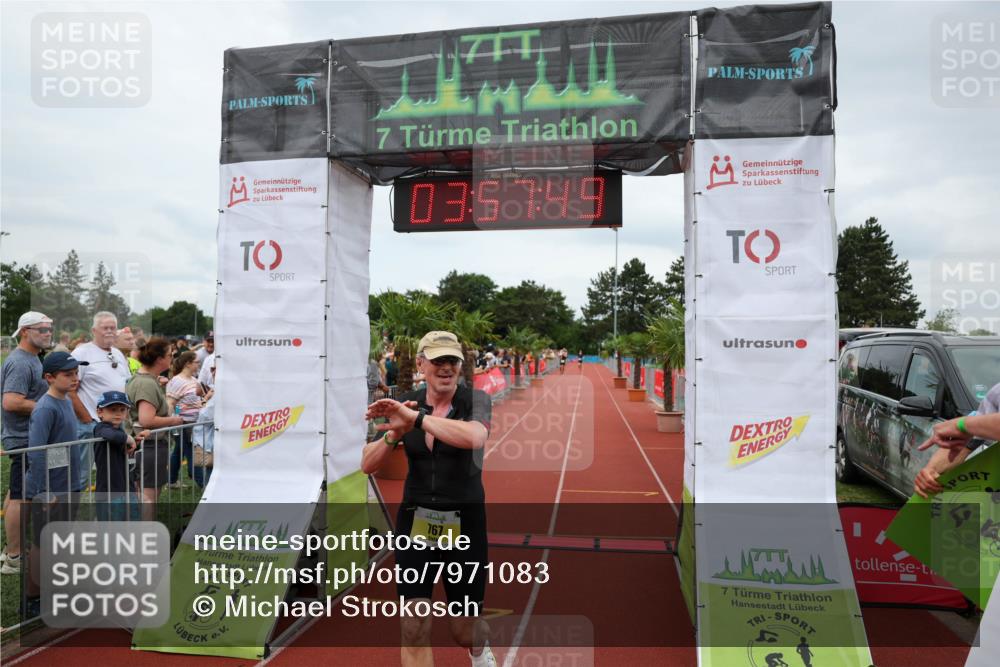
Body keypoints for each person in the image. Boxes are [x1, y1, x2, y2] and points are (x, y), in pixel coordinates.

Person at [362, 330, 495, 667]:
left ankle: (479, 649)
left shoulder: (475, 401)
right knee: (414, 624)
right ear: (421, 364)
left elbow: (475, 437)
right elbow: (367, 464)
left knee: (463, 629)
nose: (446, 367)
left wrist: (417, 419)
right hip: (415, 524)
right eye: (438, 361)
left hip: (465, 526)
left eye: (452, 360)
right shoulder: (407, 400)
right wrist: (395, 434)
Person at [24, 351, 87, 613]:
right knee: (42, 542)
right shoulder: (46, 408)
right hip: (50, 488)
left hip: (68, 483)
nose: (74, 379)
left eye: (75, 373)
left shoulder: (65, 400)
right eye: (67, 374)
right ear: (49, 377)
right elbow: (37, 452)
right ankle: (33, 598)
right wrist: (44, 491)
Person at [0, 312, 53, 575]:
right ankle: (14, 557)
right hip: (24, 439)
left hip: (27, 438)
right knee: (23, 498)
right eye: (42, 329)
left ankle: (10, 550)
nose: (47, 333)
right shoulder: (21, 362)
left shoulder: (33, 359)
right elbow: (11, 402)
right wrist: (48, 407)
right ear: (24, 332)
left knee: (16, 494)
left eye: (50, 329)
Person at [69, 312, 132, 493]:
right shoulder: (82, 352)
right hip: (90, 425)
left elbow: (125, 382)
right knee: (81, 475)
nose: (110, 331)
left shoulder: (118, 353)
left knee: (113, 472)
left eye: (113, 327)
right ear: (94, 330)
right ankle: (69, 516)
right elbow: (71, 389)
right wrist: (87, 418)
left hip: (115, 425)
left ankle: (107, 515)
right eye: (105, 328)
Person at [126, 338, 185, 520]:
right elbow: (146, 419)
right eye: (170, 355)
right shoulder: (146, 384)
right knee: (148, 499)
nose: (172, 359)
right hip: (150, 447)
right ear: (159, 359)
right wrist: (174, 420)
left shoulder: (143, 380)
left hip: (146, 447)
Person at [914, 382, 1000, 498]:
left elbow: (968, 426)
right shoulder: (997, 393)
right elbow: (969, 437)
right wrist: (931, 471)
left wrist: (960, 425)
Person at [93, 390, 145, 519]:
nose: (118, 413)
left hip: (126, 488)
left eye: (122, 410)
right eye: (112, 409)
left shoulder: (120, 430)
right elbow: (109, 435)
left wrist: (134, 442)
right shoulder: (101, 428)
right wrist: (128, 438)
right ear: (100, 412)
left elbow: (120, 444)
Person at [166, 351, 204, 487]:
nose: (199, 364)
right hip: (183, 424)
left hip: (194, 423)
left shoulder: (194, 380)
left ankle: (171, 480)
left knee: (179, 451)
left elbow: (198, 400)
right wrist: (173, 421)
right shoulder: (177, 381)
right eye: (197, 362)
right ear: (188, 364)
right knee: (192, 454)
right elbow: (170, 403)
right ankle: (203, 484)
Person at [191, 363, 216, 488]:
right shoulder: (215, 388)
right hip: (211, 441)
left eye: (216, 369)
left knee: (211, 474)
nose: (213, 372)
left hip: (213, 443)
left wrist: (204, 401)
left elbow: (205, 416)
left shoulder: (218, 391)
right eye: (212, 369)